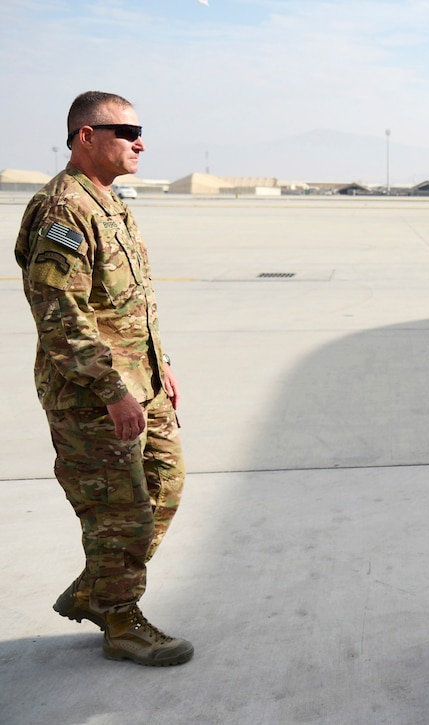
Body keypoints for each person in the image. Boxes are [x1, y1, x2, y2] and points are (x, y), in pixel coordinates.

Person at [14, 91, 193, 666]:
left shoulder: (110, 201)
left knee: (167, 481)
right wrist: (113, 390)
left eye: (142, 131)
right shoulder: (63, 209)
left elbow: (129, 299)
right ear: (85, 137)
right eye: (126, 130)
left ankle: (98, 588)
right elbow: (59, 313)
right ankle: (120, 620)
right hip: (91, 395)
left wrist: (159, 364)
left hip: (142, 381)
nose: (140, 141)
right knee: (121, 512)